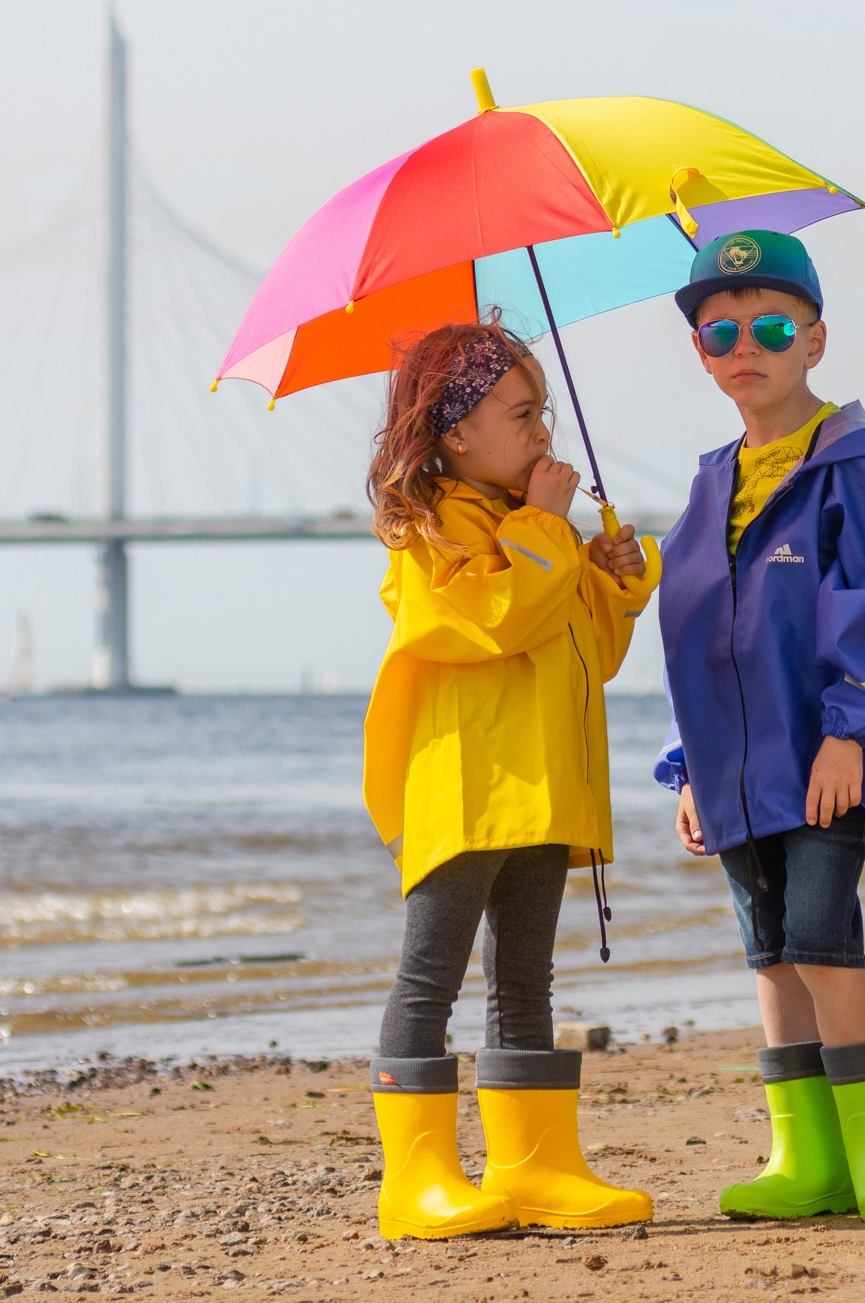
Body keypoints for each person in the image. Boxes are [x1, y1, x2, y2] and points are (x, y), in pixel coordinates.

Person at [654, 229, 865, 1222]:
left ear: (814, 340)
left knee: (824, 943)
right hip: (737, 766)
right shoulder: (709, 483)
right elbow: (698, 635)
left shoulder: (857, 466)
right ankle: (804, 1158)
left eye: (770, 328)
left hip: (826, 755)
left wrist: (848, 729)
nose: (745, 347)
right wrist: (685, 766)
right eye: (718, 333)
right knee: (771, 954)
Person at [360, 319, 660, 1240]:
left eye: (544, 413)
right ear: (455, 432)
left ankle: (535, 1165)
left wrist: (613, 581)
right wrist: (545, 528)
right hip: (465, 786)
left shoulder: (531, 524)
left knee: (526, 976)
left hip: (542, 783)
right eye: (522, 413)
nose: (543, 434)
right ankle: (413, 1179)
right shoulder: (428, 528)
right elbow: (491, 620)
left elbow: (583, 655)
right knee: (431, 975)